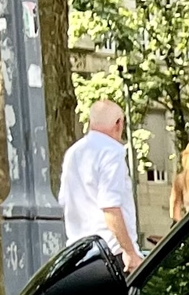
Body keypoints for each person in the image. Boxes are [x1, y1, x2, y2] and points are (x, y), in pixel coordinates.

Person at [59, 99, 141, 273]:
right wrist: (129, 252)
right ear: (118, 124)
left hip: (79, 254)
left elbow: (65, 201)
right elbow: (110, 206)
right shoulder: (112, 151)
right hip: (111, 253)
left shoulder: (73, 153)